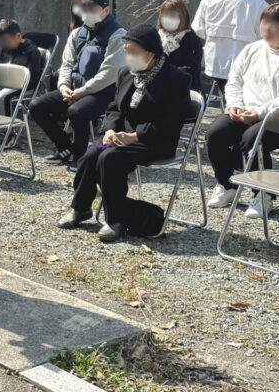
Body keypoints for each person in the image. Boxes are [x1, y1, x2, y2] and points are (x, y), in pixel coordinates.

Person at [58, 25, 191, 242]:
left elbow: (170, 121)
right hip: (120, 137)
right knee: (93, 153)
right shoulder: (126, 73)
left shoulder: (176, 79)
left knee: (110, 158)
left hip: (153, 141)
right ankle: (80, 208)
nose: (128, 56)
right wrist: (109, 130)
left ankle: (115, 220)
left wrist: (135, 136)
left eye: (133, 51)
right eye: (126, 51)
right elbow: (114, 109)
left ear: (150, 53)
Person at [205, 2, 279, 220]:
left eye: (273, 26)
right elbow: (234, 80)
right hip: (246, 112)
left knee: (252, 139)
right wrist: (234, 104)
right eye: (263, 24)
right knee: (215, 134)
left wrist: (260, 113)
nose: (265, 30)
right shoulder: (252, 49)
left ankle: (263, 195)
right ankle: (227, 185)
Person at [30, 0, 127, 164]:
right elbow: (67, 64)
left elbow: (109, 73)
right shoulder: (77, 33)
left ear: (105, 10)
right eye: (85, 8)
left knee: (76, 112)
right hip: (74, 88)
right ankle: (65, 147)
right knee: (37, 106)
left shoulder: (118, 34)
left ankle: (80, 155)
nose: (87, 12)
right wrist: (63, 87)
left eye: (93, 8)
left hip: (105, 93)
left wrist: (83, 91)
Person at [191, 0, 267, 98]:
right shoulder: (259, 5)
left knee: (228, 100)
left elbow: (199, 29)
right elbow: (266, 39)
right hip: (246, 69)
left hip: (214, 65)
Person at [0, 19, 45, 116]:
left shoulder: (32, 51)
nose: (4, 43)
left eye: (6, 40)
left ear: (18, 36)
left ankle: (6, 129)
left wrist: (17, 81)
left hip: (23, 85)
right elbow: (0, 68)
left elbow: (34, 77)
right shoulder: (6, 49)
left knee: (2, 96)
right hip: (4, 82)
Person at [157, 0, 203, 91]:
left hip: (183, 88)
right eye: (164, 15)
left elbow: (190, 70)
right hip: (158, 87)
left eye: (172, 16)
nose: (167, 18)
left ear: (183, 17)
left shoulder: (192, 39)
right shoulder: (156, 35)